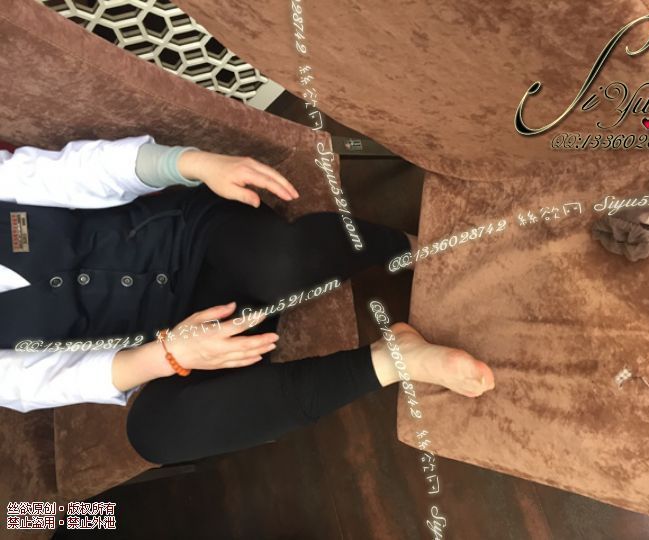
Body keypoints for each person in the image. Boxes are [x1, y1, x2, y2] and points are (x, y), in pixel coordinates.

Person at [0, 135, 495, 464]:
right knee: (155, 436)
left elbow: (77, 172)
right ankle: (392, 359)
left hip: (195, 237)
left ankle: (408, 247)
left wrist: (193, 163)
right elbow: (60, 379)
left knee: (279, 266)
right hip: (178, 336)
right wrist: (171, 354)